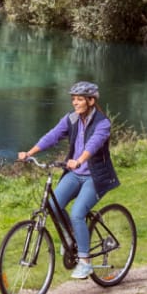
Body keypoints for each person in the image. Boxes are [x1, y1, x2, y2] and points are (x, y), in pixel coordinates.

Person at [19, 81, 120, 279]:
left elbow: (94, 144)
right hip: (75, 174)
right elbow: (53, 136)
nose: (75, 103)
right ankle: (71, 237)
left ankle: (85, 262)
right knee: (52, 205)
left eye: (79, 99)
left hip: (95, 177)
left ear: (91, 101)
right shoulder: (71, 119)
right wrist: (30, 152)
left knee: (77, 213)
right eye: (73, 99)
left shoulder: (103, 123)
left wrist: (79, 160)